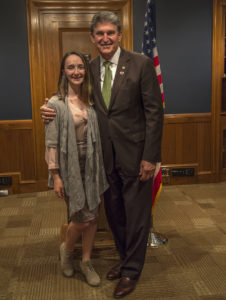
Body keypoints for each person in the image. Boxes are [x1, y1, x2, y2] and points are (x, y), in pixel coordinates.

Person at [41, 11, 164, 298]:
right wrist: (49, 106)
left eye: (111, 33)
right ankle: (125, 259)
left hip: (137, 156)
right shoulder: (90, 68)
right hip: (104, 159)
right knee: (116, 213)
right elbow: (72, 95)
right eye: (100, 34)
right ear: (92, 38)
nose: (105, 38)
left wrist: (150, 157)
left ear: (120, 35)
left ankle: (132, 271)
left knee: (136, 216)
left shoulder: (141, 64)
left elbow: (155, 114)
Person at [44, 51, 109, 287]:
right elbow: (51, 143)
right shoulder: (55, 104)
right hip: (70, 166)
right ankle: (67, 249)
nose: (76, 72)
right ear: (64, 71)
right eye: (70, 67)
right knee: (81, 219)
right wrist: (56, 175)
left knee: (93, 218)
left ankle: (86, 261)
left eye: (80, 67)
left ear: (86, 70)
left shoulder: (92, 99)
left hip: (93, 164)